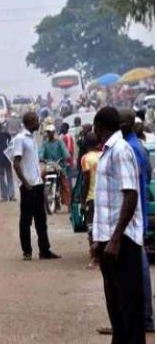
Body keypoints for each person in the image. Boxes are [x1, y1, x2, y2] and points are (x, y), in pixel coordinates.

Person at [92, 107, 145, 343]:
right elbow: (105, 200)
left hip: (122, 240)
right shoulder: (107, 151)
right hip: (109, 239)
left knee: (129, 305)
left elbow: (130, 195)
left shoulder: (121, 151)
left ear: (99, 127)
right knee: (115, 304)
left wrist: (114, 239)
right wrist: (99, 239)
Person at [120, 108, 154, 333]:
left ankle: (144, 319)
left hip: (133, 215)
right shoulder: (138, 147)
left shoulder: (130, 148)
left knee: (138, 270)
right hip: (138, 213)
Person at [12, 112, 60, 261]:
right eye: (37, 121)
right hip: (29, 186)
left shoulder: (32, 139)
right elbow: (16, 163)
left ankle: (44, 250)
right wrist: (26, 183)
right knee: (26, 220)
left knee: (41, 219)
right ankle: (27, 251)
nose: (39, 123)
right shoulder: (20, 139)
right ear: (30, 122)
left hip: (38, 184)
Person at [79, 132, 101, 269]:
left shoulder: (86, 158)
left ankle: (94, 258)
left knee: (92, 228)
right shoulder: (104, 154)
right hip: (105, 197)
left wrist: (82, 199)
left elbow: (86, 180)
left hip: (92, 198)